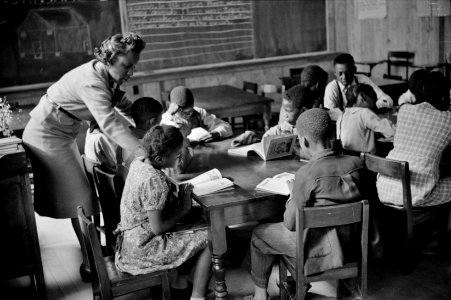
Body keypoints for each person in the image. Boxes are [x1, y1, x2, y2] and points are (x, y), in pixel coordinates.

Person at [22, 32, 146, 281]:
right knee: (81, 200)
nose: (131, 72)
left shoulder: (105, 74)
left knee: (82, 200)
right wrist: (144, 152)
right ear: (111, 59)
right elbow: (109, 123)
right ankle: (91, 263)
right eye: (127, 66)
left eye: (134, 66)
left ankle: (92, 252)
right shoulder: (92, 80)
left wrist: (150, 123)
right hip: (47, 136)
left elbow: (122, 104)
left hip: (62, 134)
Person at [248, 108, 367, 300]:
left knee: (258, 235)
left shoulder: (306, 174)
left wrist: (293, 193)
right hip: (352, 245)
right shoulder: (357, 164)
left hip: (317, 249)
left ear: (303, 141)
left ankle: (260, 296)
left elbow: (290, 223)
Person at [114, 125, 211, 300]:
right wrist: (184, 209)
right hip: (142, 249)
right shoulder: (154, 180)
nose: (180, 156)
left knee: (198, 223)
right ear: (159, 158)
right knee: (212, 236)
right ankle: (197, 296)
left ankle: (182, 283)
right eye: (177, 154)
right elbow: (158, 228)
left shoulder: (139, 162)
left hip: (131, 241)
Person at [377, 71, 451, 207]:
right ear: (443, 97)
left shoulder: (404, 110)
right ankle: (441, 226)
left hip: (384, 188)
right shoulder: (447, 119)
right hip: (415, 196)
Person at [324, 53, 393, 121]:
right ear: (335, 73)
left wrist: (373, 105)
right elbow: (330, 115)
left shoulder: (363, 80)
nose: (344, 77)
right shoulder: (331, 88)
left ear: (354, 70)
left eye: (347, 72)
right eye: (340, 73)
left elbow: (387, 100)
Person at [337, 84, 395, 155]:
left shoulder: (342, 116)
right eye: (374, 100)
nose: (374, 105)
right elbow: (391, 131)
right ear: (363, 96)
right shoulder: (365, 112)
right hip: (366, 160)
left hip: (347, 157)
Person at [161, 86, 233, 142]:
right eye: (184, 112)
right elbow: (159, 134)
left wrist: (217, 133)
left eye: (190, 111)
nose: (189, 114)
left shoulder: (200, 113)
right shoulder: (167, 118)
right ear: (173, 109)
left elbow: (225, 126)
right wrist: (169, 113)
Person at [116, 97, 164, 180]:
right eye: (160, 119)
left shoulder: (123, 137)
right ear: (152, 122)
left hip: (126, 185)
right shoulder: (147, 147)